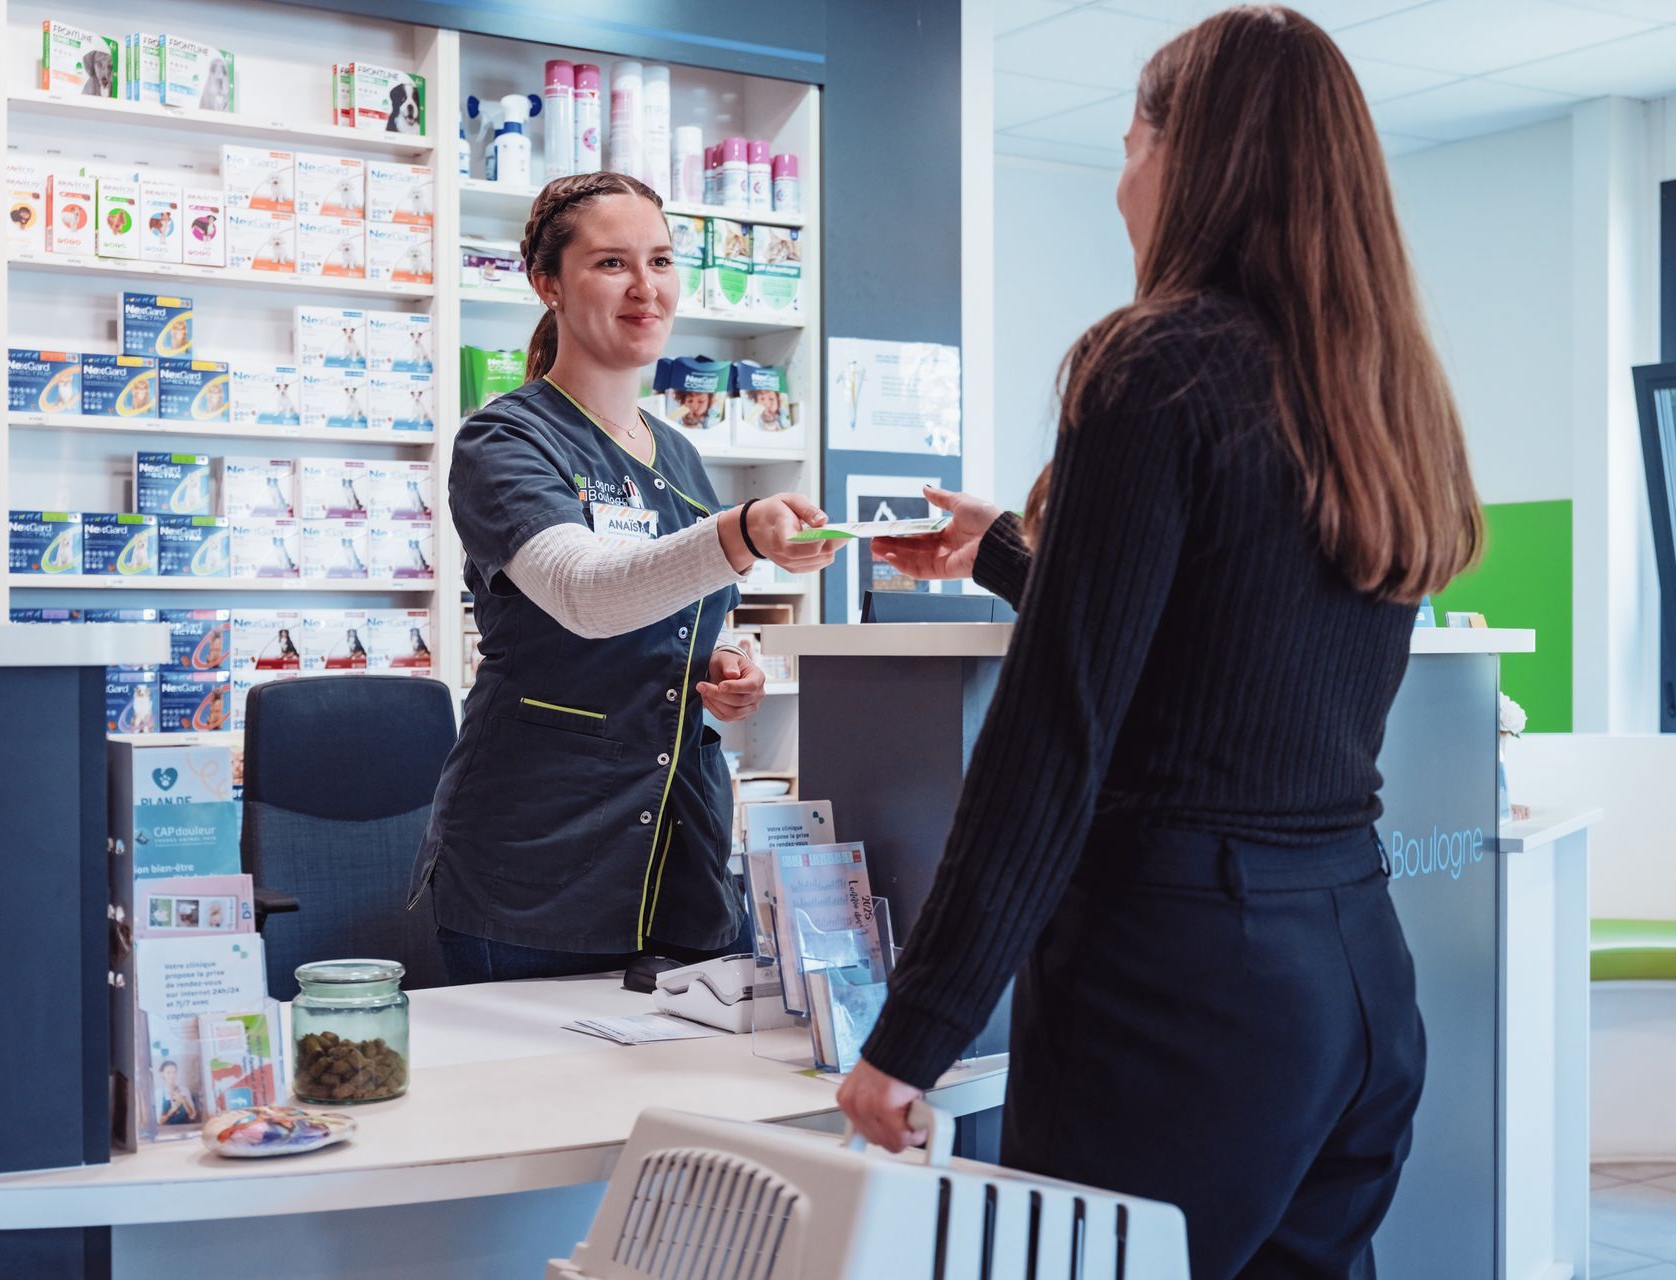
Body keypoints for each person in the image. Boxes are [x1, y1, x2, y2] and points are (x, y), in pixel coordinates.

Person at [836, 9, 1483, 1279]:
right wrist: (1017, 555)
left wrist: (916, 1030)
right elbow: (1230, 645)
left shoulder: (1155, 362)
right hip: (1352, 973)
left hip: (1179, 984)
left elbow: (1054, 736)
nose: (1120, 176)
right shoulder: (1384, 389)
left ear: (1192, 158)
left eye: (1130, 138)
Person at [410, 172, 840, 984]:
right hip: (540, 858)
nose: (647, 288)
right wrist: (741, 530)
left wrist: (717, 664)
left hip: (682, 850)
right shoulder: (503, 441)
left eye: (662, 261)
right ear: (548, 284)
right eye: (611, 264)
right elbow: (586, 593)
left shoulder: (676, 452)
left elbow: (674, 612)